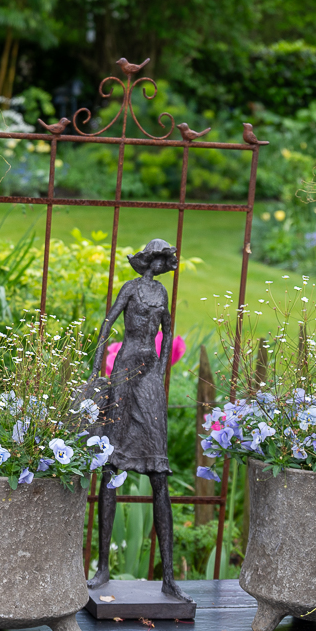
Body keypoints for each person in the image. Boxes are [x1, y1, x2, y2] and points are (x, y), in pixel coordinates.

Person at [86, 238, 193, 604]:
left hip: (148, 375)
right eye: (161, 259)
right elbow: (108, 323)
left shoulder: (161, 294)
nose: (163, 266)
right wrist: (96, 365)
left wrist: (162, 369)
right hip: (125, 369)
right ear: (148, 261)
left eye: (167, 261)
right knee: (111, 464)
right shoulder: (130, 289)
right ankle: (102, 568)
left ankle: (168, 578)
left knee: (158, 471)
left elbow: (167, 331)